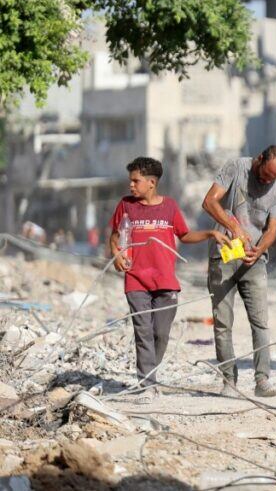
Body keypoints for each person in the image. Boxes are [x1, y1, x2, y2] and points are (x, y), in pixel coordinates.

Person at [109, 157, 227, 402]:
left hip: (165, 281)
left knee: (160, 333)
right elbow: (114, 236)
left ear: (151, 183)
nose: (131, 185)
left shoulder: (170, 207)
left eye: (135, 181)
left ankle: (150, 374)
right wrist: (117, 254)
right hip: (135, 280)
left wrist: (210, 233)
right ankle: (147, 384)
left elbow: (184, 235)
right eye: (130, 181)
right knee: (142, 332)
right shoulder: (125, 205)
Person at [202, 146, 276, 397]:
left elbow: (272, 228)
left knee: (260, 323)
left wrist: (259, 248)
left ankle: (262, 380)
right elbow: (209, 201)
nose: (268, 181)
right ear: (259, 159)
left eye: (275, 177)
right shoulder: (236, 167)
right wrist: (234, 226)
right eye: (266, 174)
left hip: (255, 261)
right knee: (222, 323)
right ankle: (228, 381)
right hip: (223, 257)